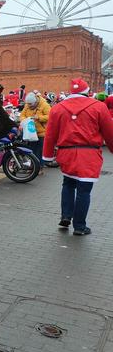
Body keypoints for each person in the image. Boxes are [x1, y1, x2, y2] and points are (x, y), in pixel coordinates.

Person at [42, 79, 113, 236]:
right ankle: (80, 226)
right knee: (84, 190)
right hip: (89, 155)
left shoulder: (57, 108)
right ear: (88, 92)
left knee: (68, 184)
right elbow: (109, 132)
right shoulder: (99, 107)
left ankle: (66, 216)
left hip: (66, 153)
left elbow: (50, 134)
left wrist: (47, 156)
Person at [20, 92, 50, 171]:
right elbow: (22, 115)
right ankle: (33, 167)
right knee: (31, 150)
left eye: (31, 105)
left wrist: (38, 117)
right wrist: (25, 120)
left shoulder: (45, 105)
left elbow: (50, 116)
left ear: (36, 102)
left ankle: (40, 167)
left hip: (41, 132)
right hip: (30, 132)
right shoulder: (27, 105)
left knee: (39, 151)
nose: (29, 106)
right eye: (28, 104)